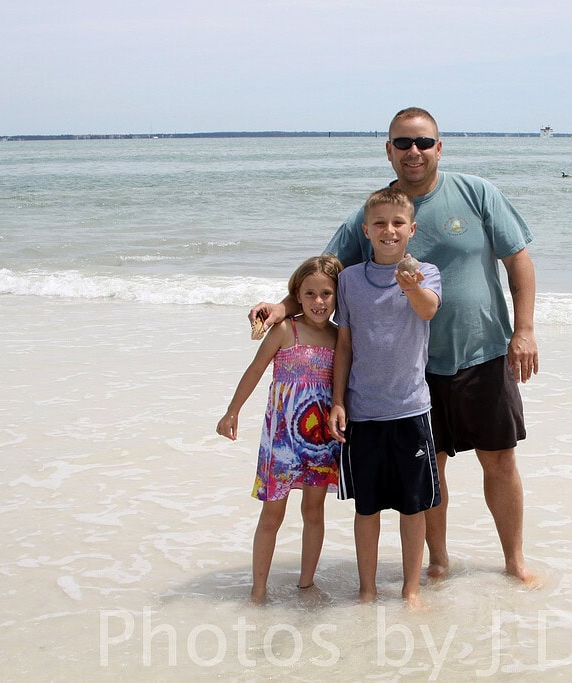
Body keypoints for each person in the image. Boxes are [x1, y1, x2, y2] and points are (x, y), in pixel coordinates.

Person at [251, 107, 538, 584]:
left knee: (500, 460)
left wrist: (523, 330)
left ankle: (514, 562)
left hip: (481, 353)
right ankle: (439, 562)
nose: (414, 152)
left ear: (439, 147)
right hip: (412, 372)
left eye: (424, 143)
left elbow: (519, 261)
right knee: (432, 469)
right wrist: (284, 308)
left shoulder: (477, 193)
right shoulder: (371, 215)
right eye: (403, 143)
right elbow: (325, 276)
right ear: (388, 150)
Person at [329, 187, 442, 606]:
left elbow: (428, 309)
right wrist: (338, 401)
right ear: (365, 230)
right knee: (366, 509)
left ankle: (411, 589)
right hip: (363, 411)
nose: (388, 231)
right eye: (379, 223)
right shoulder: (349, 279)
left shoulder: (425, 272)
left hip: (411, 409)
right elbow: (344, 345)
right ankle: (367, 590)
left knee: (413, 509)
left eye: (397, 224)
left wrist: (409, 286)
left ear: (411, 229)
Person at [217, 255, 343, 602]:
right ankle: (258, 590)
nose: (319, 302)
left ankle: (306, 583)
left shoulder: (339, 336)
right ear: (297, 296)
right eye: (310, 294)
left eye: (327, 294)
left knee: (314, 511)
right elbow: (256, 370)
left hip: (320, 441)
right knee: (273, 512)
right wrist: (232, 411)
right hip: (282, 439)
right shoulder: (287, 330)